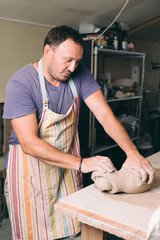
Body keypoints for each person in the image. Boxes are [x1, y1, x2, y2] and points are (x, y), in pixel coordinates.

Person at [3, 25, 155, 240]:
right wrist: (83, 164)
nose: (73, 67)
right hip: (30, 175)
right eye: (67, 60)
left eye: (77, 60)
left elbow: (104, 115)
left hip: (66, 172)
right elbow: (29, 143)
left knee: (74, 231)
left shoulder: (79, 72)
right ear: (48, 51)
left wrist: (132, 153)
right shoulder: (21, 84)